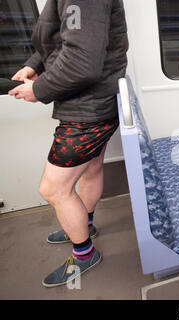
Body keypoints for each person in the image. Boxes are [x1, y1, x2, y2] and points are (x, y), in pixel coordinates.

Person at [8, 0, 128, 287]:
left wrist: (38, 88)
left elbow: (81, 62)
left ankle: (84, 255)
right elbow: (62, 39)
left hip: (88, 110)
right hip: (96, 104)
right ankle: (84, 225)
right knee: (92, 169)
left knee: (53, 188)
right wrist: (32, 65)